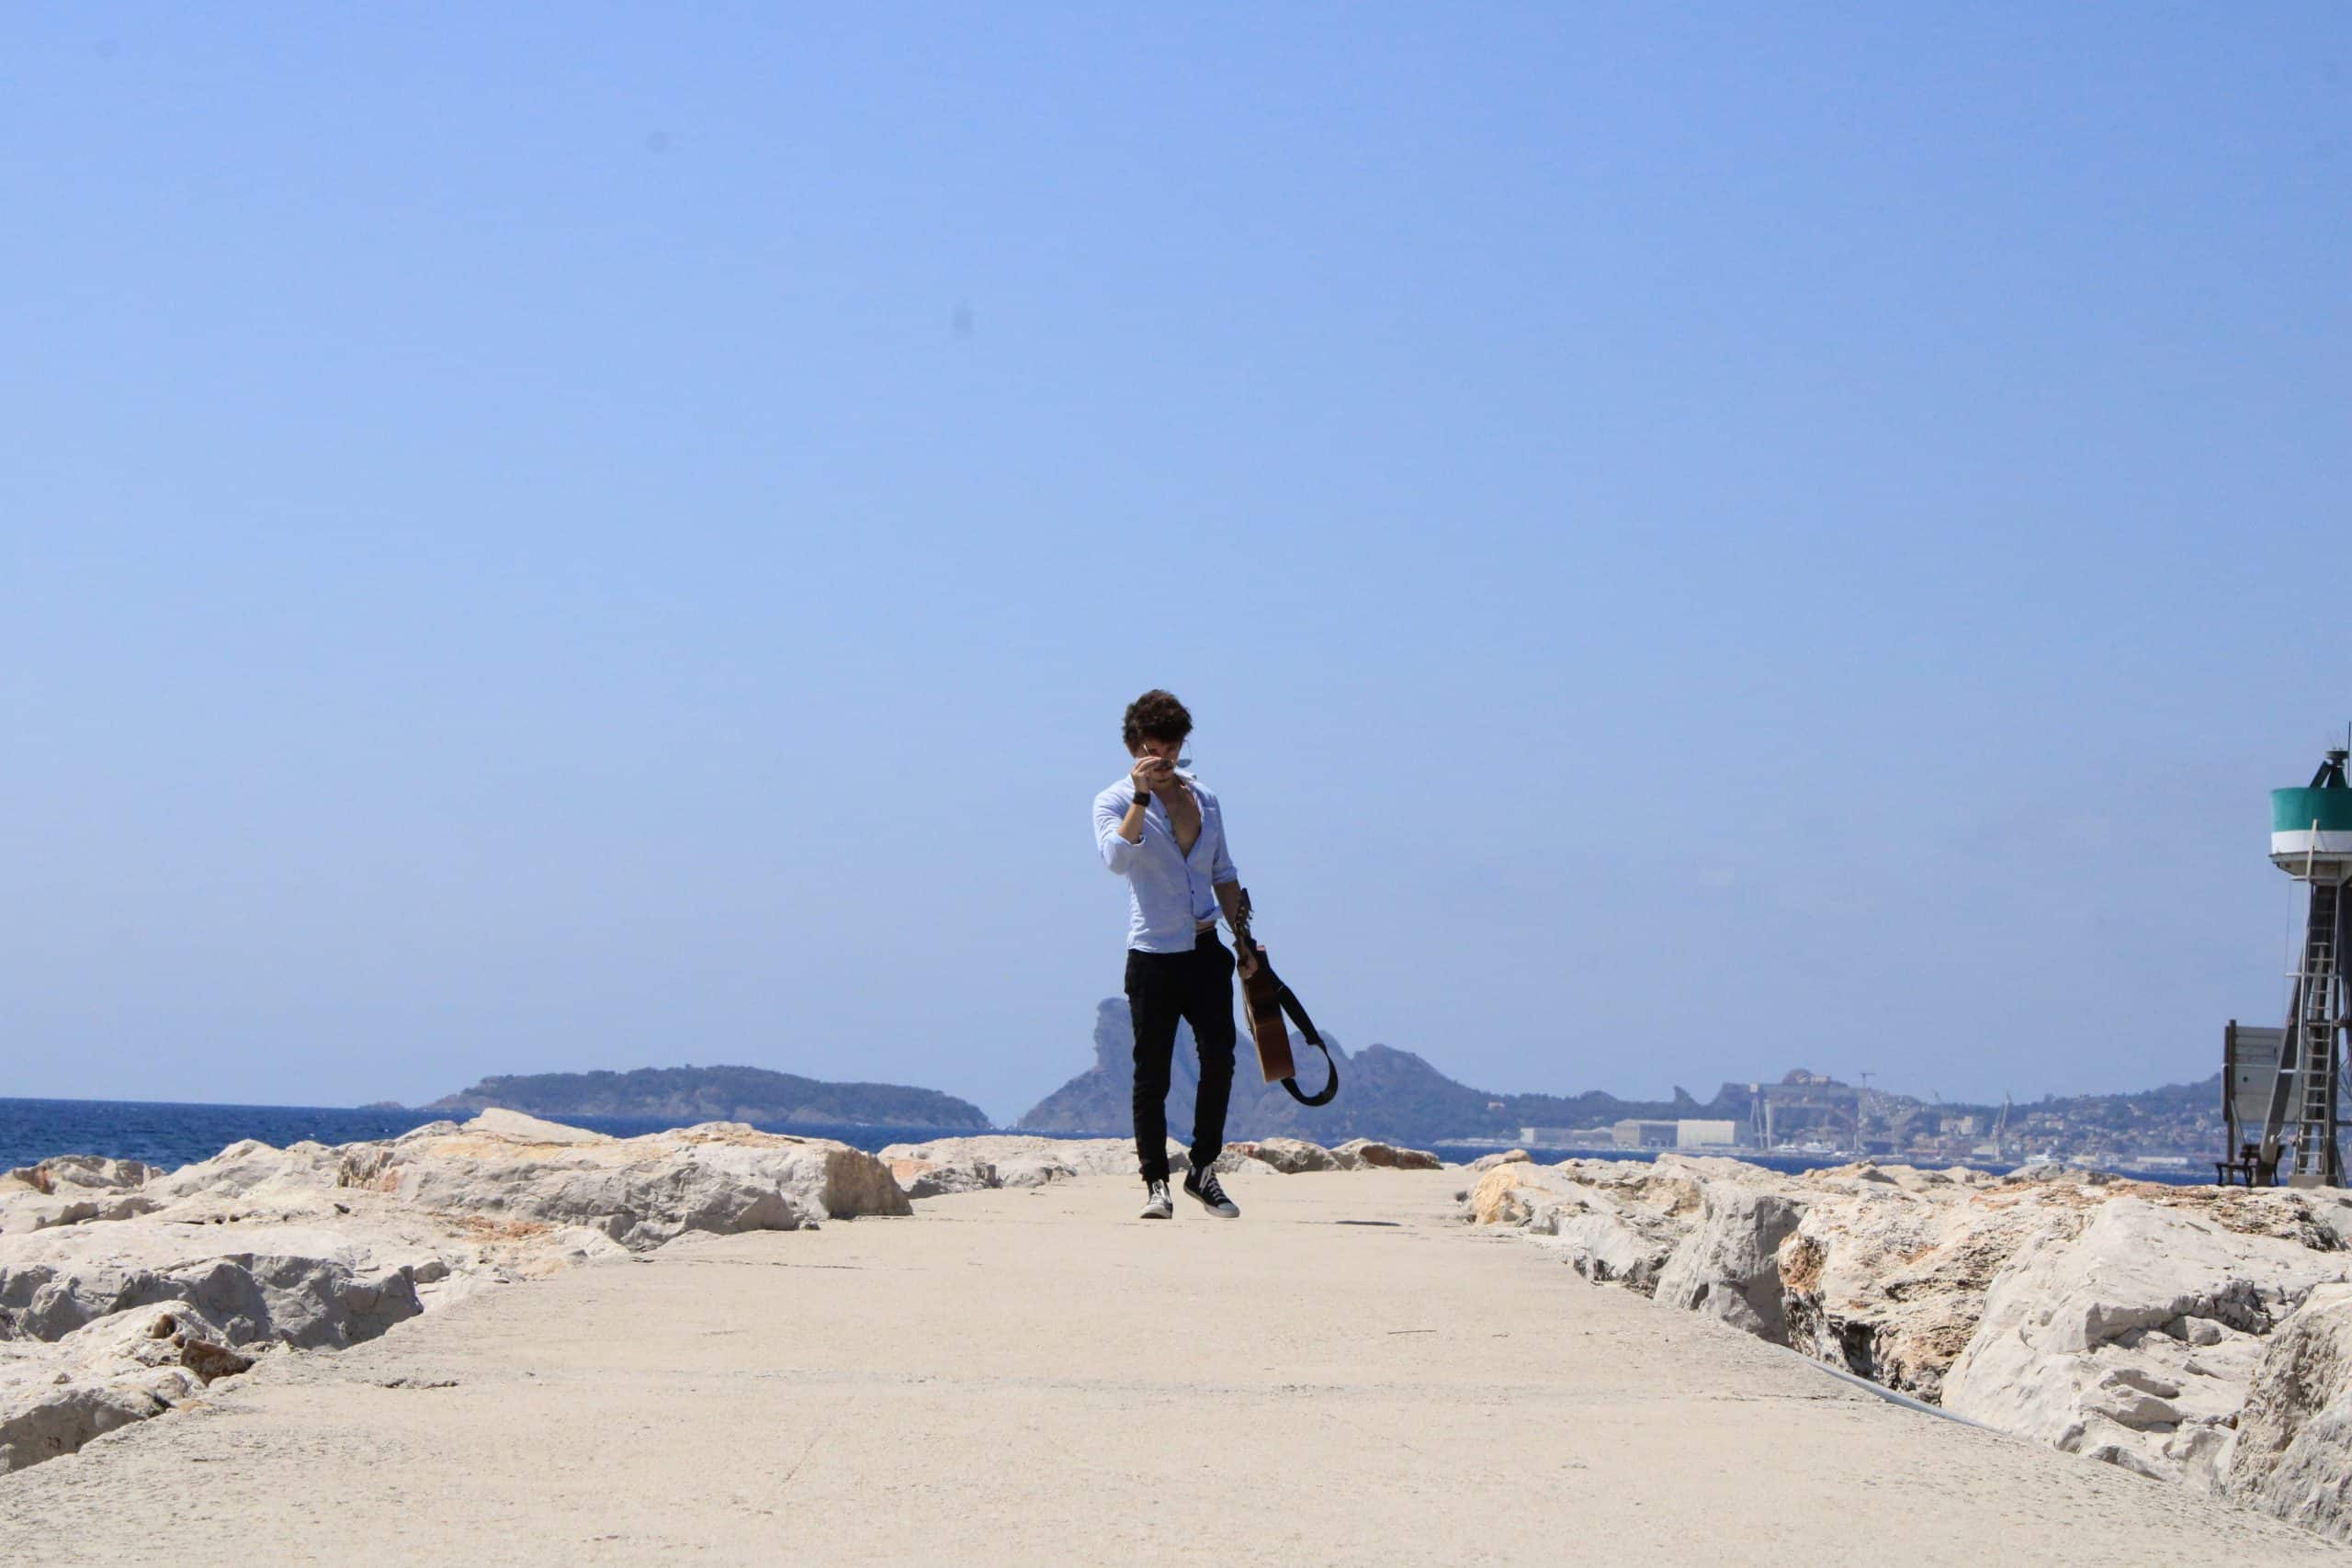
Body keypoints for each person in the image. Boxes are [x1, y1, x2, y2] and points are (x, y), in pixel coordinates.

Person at [1091, 689, 1257, 1221]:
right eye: (1151, 747)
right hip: (1154, 954)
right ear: (1133, 746)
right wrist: (1141, 799)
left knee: (1221, 1059)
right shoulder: (1113, 800)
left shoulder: (1204, 798)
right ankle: (1155, 1183)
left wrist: (1244, 940)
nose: (1161, 756)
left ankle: (1203, 1170)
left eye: (1171, 746)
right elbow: (1116, 859)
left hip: (1206, 946)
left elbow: (1223, 872)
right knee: (1153, 1072)